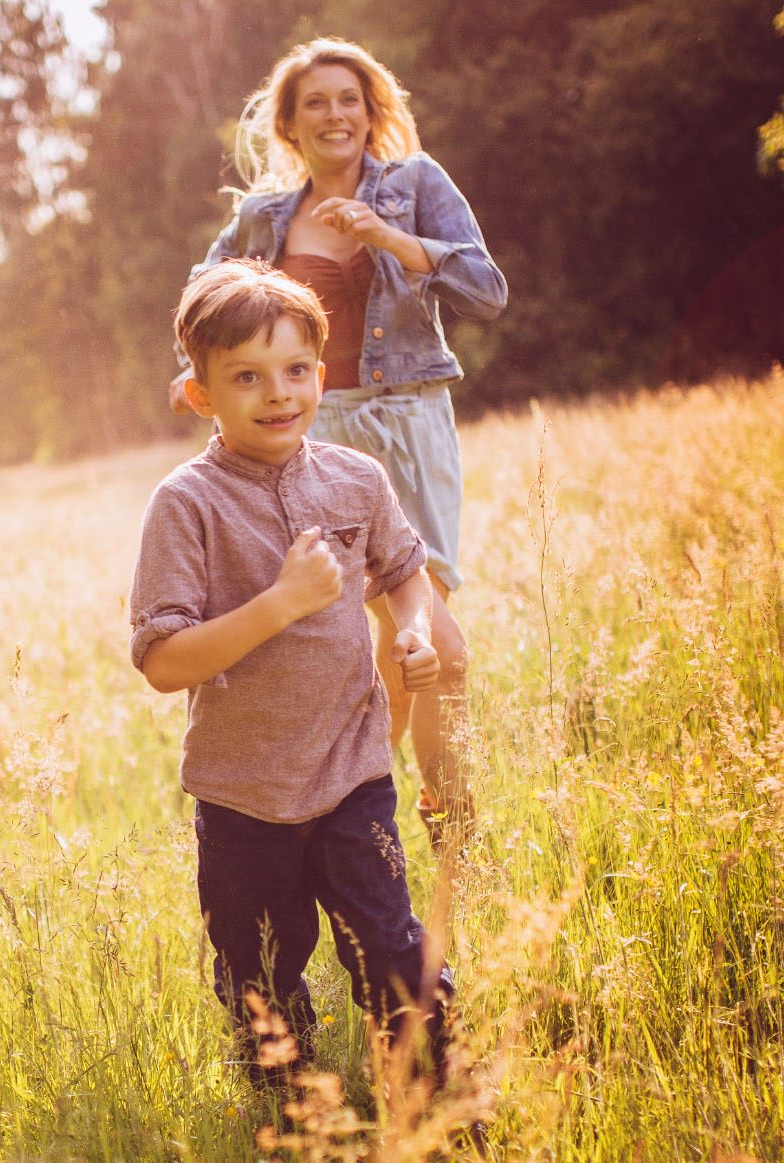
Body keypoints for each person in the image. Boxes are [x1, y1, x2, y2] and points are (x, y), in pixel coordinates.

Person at [171, 37, 507, 846]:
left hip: (409, 421)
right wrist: (201, 377)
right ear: (287, 123)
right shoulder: (263, 216)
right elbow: (199, 302)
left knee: (412, 639)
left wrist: (389, 239)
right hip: (310, 432)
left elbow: (486, 290)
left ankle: (376, 820)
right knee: (380, 640)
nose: (335, 115)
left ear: (371, 112)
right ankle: (390, 821)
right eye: (315, 102)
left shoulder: (416, 184)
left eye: (348, 99)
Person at [133, 260, 454, 1092]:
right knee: (260, 986)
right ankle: (292, 1128)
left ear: (321, 370)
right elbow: (163, 663)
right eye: (245, 377)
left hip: (354, 775)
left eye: (296, 371)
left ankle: (439, 1122)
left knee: (395, 956)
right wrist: (278, 604)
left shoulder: (355, 477)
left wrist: (412, 631)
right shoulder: (185, 504)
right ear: (199, 393)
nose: (277, 394)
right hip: (243, 797)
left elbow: (405, 575)